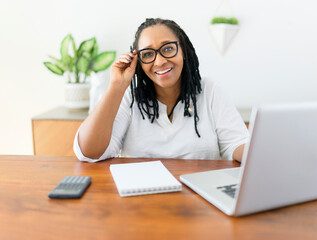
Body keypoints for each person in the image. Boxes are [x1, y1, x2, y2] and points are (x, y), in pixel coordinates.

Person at [74, 18, 249, 162]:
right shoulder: (130, 97)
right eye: (148, 54)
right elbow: (89, 152)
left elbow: (236, 144)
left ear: (184, 51)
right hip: (140, 198)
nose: (159, 62)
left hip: (199, 198)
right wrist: (116, 86)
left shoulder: (210, 90)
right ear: (139, 62)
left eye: (168, 49)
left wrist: (263, 154)